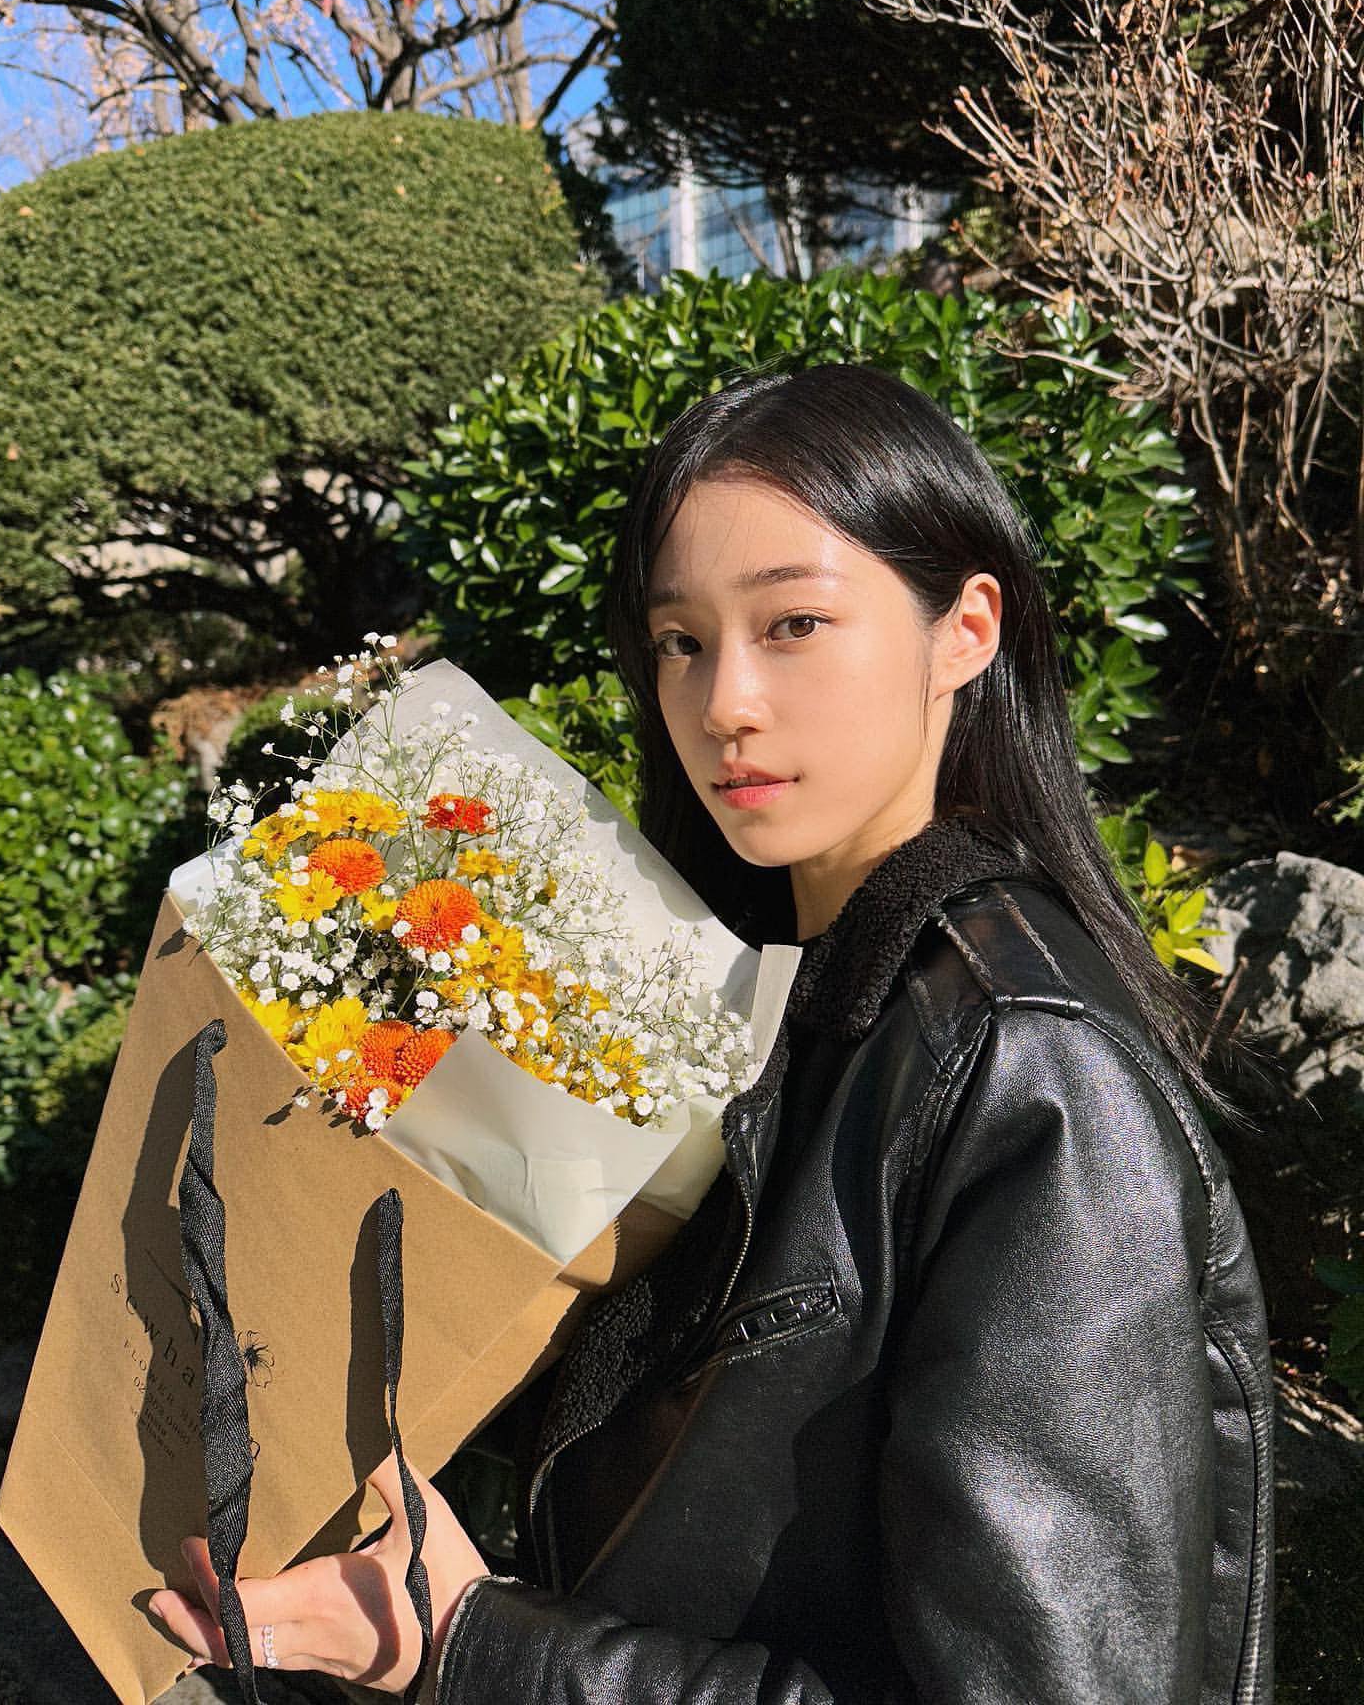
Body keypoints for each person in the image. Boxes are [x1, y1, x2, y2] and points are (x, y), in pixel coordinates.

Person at [149, 365, 1275, 1702]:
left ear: (964, 631)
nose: (724, 701)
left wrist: (474, 1645)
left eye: (794, 623)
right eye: (680, 641)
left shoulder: (1029, 1068)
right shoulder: (754, 1004)